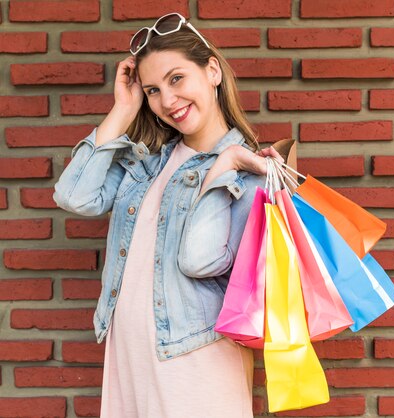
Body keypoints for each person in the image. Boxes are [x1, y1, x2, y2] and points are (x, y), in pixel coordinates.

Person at [53, 13, 282, 418]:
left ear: (211, 70)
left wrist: (225, 163)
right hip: (130, 356)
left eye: (177, 79)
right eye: (154, 90)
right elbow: (74, 196)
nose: (168, 101)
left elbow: (200, 260)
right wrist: (123, 110)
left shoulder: (250, 172)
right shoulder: (149, 164)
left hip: (194, 363)